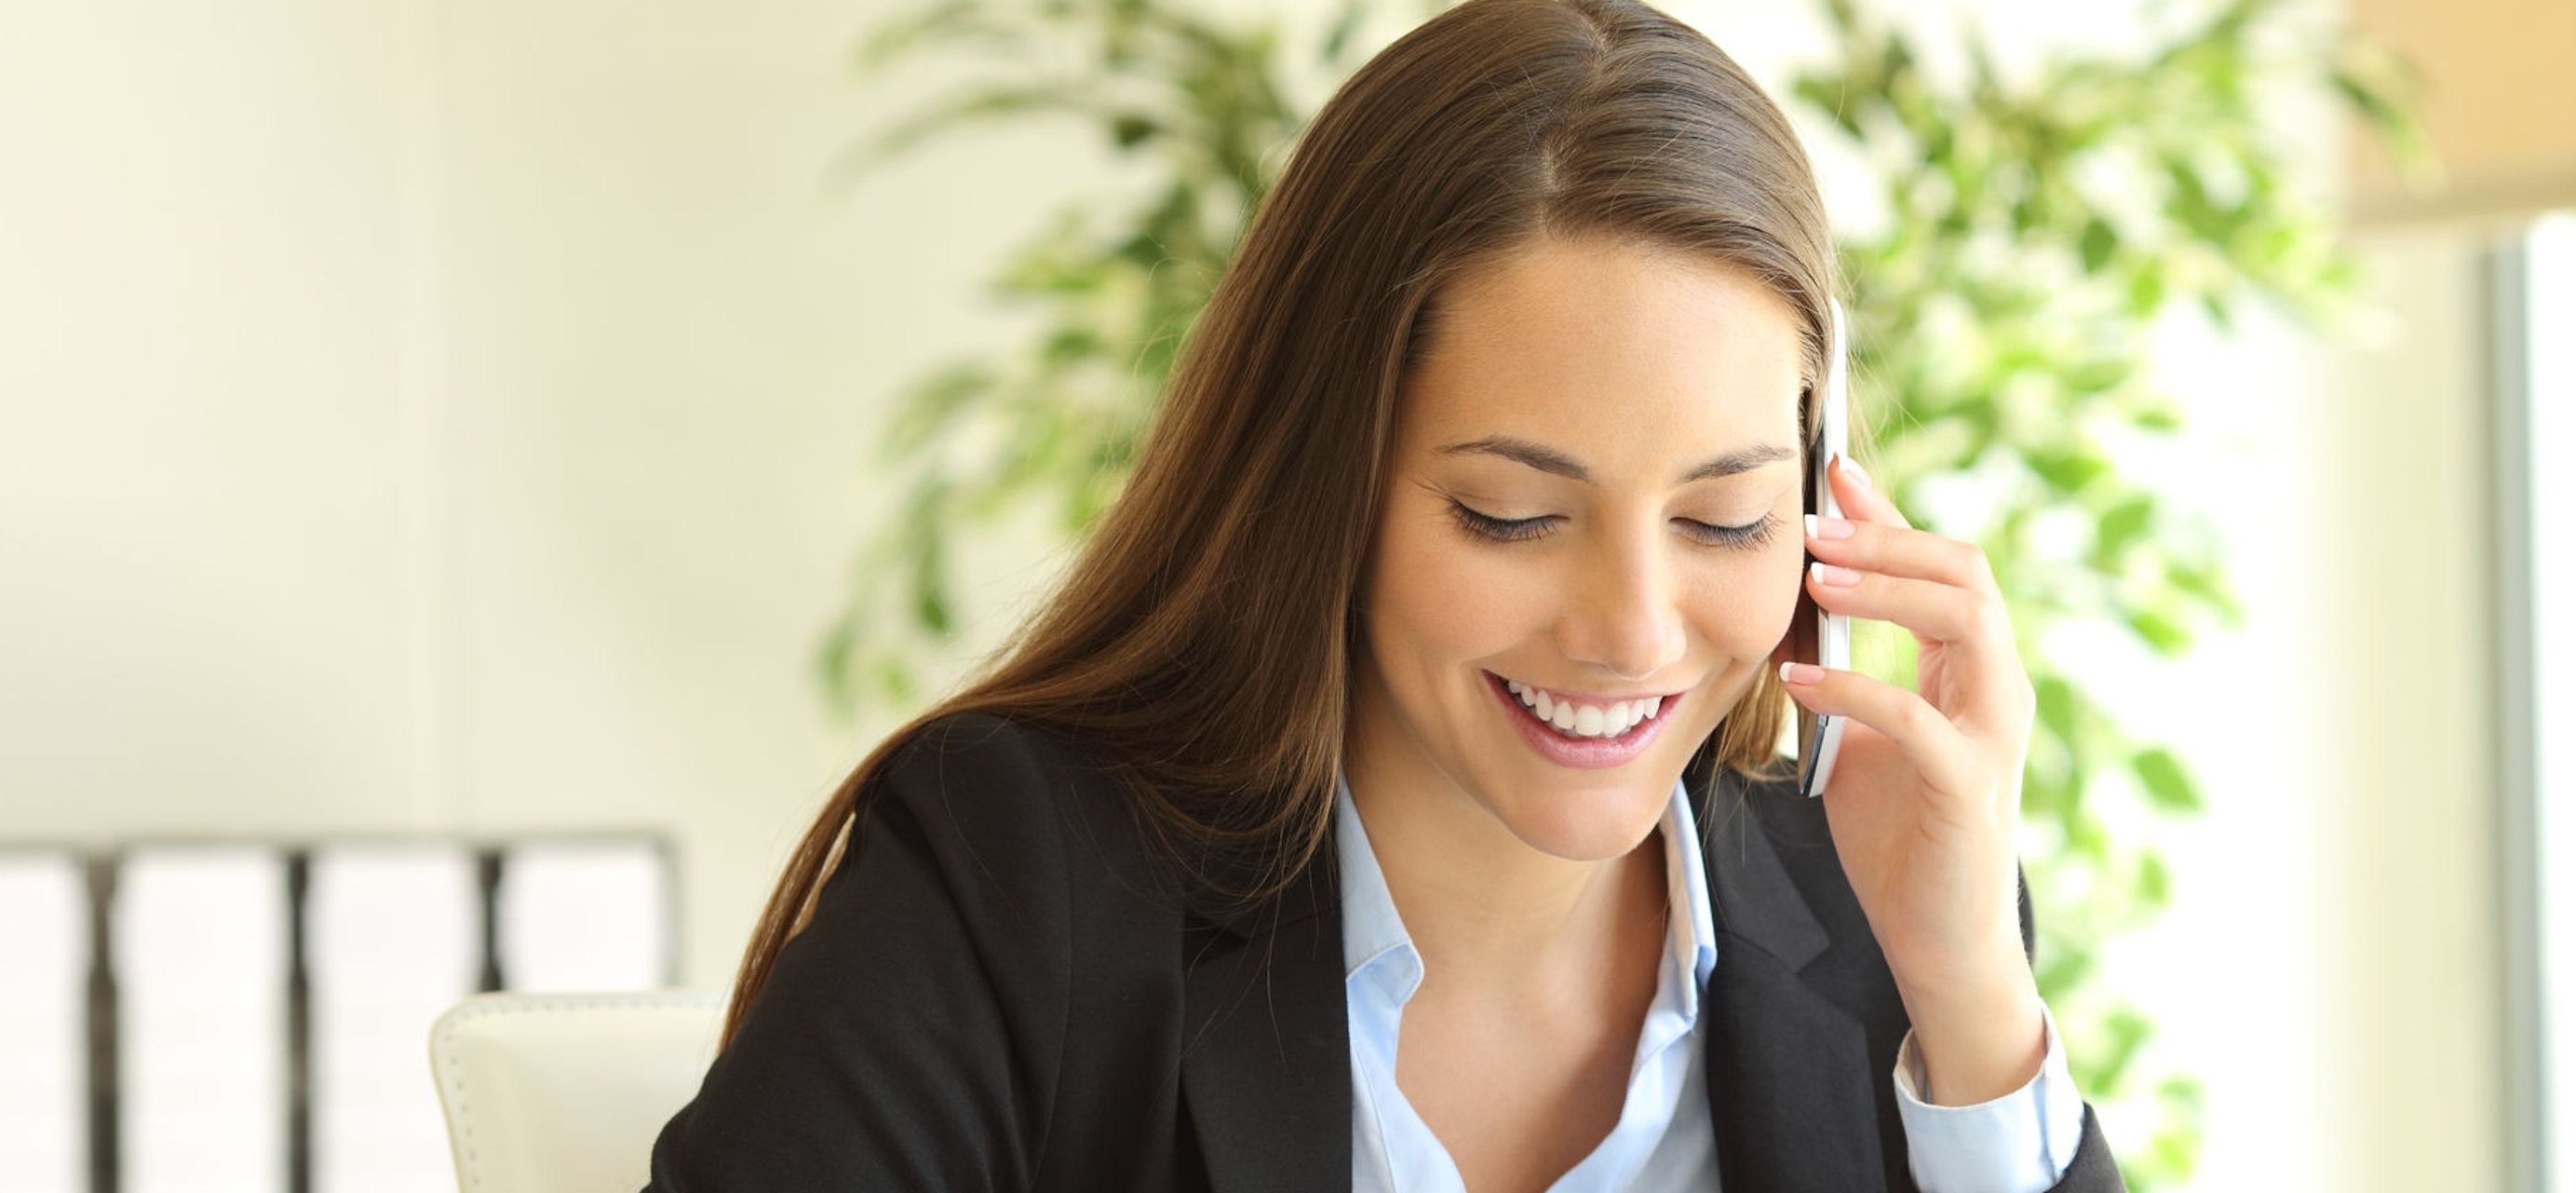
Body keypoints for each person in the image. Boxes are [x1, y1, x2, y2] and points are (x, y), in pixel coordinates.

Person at [641, 1, 2120, 1189]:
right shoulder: (1023, 875)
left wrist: (1971, 996)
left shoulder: (1879, 926)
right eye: (1512, 513)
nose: (1630, 629)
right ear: (1323, 483)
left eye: (1725, 519)